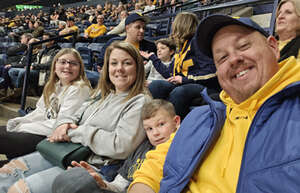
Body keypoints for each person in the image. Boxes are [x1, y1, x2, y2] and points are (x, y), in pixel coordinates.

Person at [128, 15, 300, 193]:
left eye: (243, 46)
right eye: (222, 58)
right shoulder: (204, 116)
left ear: (273, 47)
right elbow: (154, 167)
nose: (233, 59)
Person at [0, 41, 149, 193]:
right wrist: (64, 124)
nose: (119, 69)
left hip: (93, 166)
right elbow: (72, 115)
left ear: (138, 67)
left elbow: (120, 146)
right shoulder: (101, 93)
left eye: (127, 63)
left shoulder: (140, 101)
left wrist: (74, 132)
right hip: (65, 151)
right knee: (7, 173)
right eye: (114, 63)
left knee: (20, 189)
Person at [52, 99, 180, 193]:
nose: (155, 133)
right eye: (149, 129)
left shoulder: (182, 149)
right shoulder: (143, 147)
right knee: (71, 181)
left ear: (176, 122)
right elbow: (119, 186)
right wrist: (102, 184)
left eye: (161, 124)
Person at [0, 48, 91, 165]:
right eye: (63, 62)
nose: (67, 66)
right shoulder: (53, 86)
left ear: (80, 69)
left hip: (54, 138)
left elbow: (61, 125)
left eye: (73, 63)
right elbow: (40, 112)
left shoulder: (79, 89)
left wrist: (23, 127)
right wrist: (20, 121)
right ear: (55, 66)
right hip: (40, 130)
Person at [145, 12, 220, 119]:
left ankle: (176, 128)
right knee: (156, 86)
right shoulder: (180, 49)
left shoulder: (197, 43)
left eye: (174, 23)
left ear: (181, 24)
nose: (172, 26)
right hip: (186, 84)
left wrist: (184, 80)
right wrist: (153, 58)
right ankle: (158, 120)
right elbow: (169, 74)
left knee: (179, 92)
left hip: (205, 86)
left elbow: (211, 72)